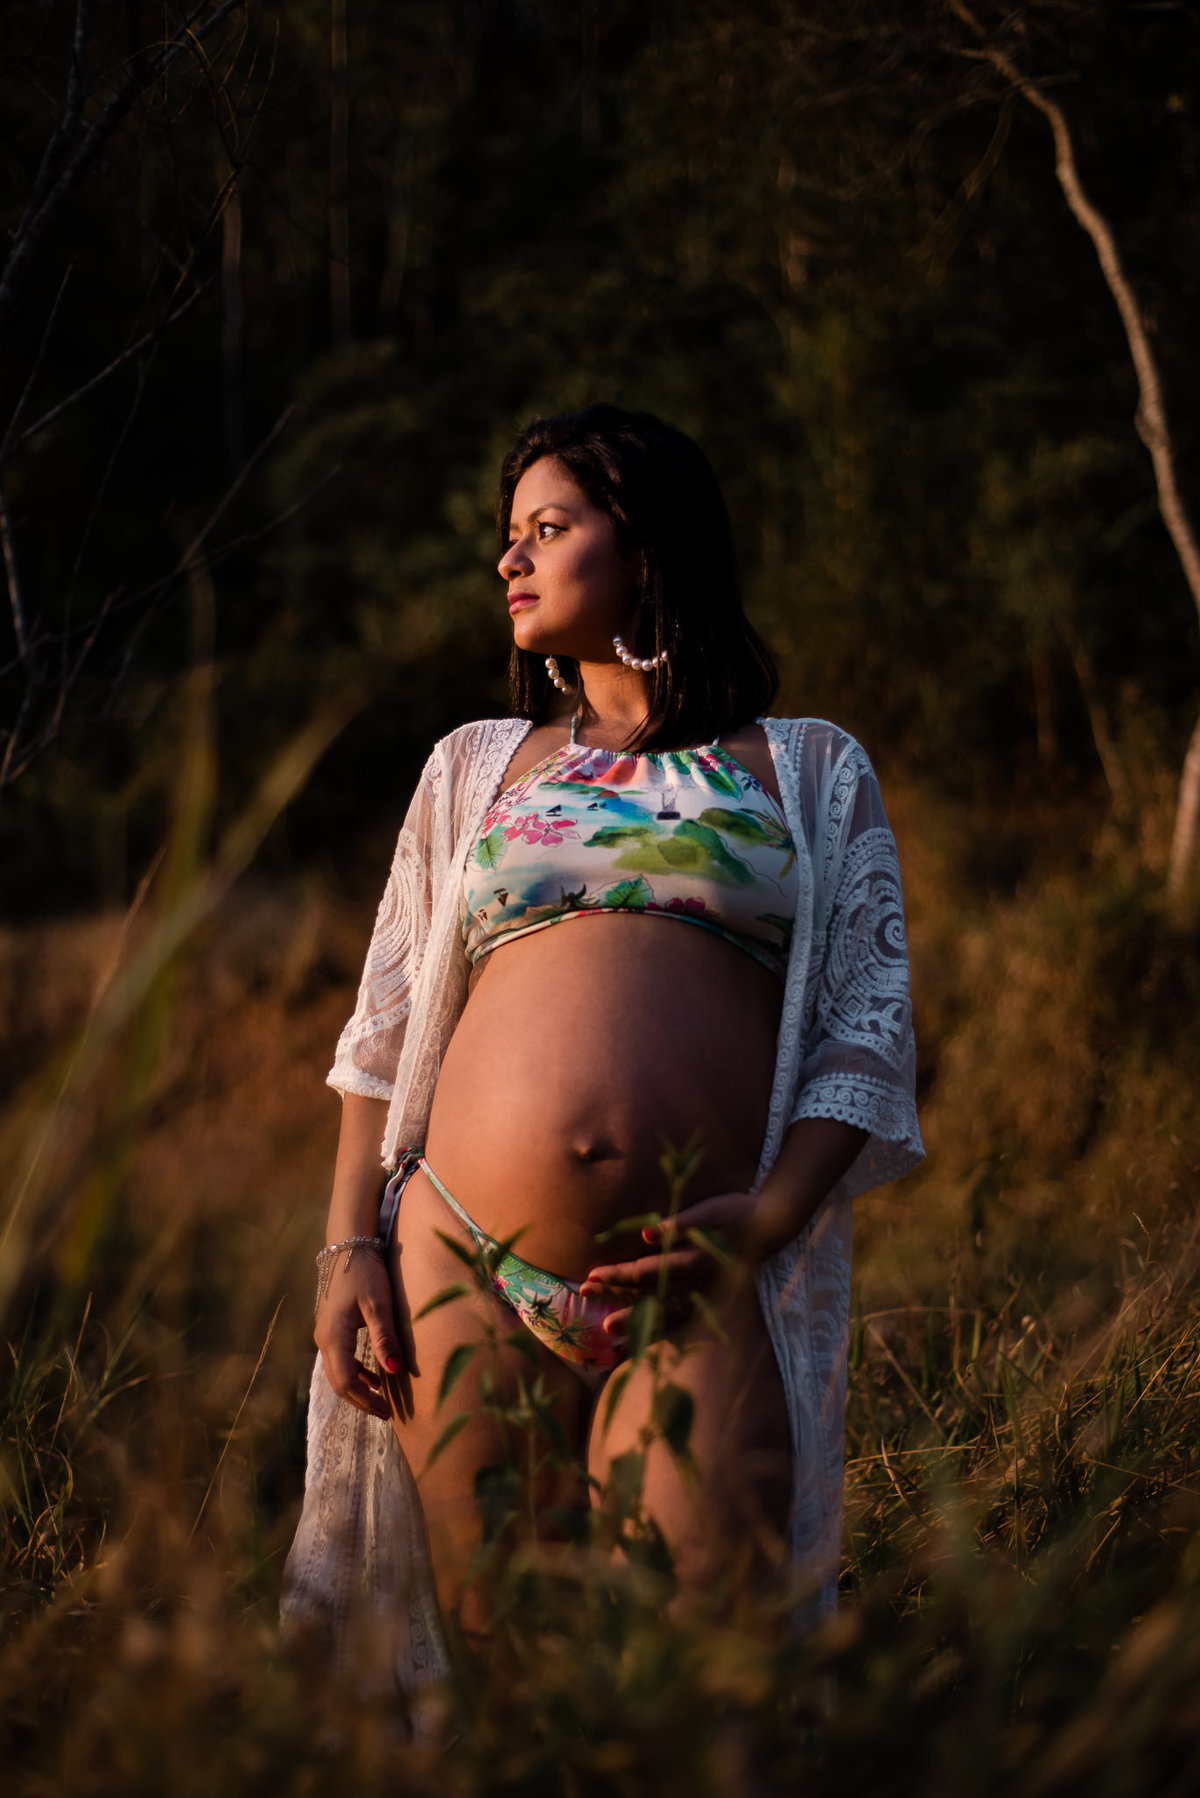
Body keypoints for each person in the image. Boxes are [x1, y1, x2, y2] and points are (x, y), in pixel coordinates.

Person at [281, 405, 923, 1686]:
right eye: (506, 537)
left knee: (702, 1692)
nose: (510, 562)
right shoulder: (476, 765)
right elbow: (385, 1027)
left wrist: (770, 1216)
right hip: (457, 1260)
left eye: (547, 528)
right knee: (509, 1682)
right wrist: (349, 1246)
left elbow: (868, 1024)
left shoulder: (805, 768)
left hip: (698, 1272)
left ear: (641, 544)